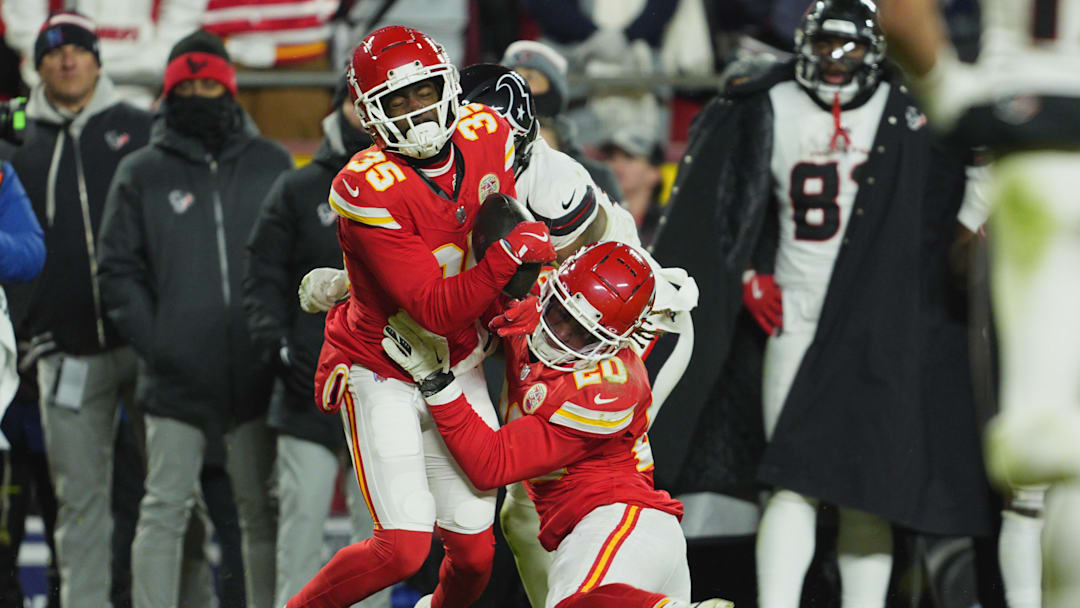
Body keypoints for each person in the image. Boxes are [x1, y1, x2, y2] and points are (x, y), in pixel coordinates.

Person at [647, 1, 997, 607]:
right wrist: (747, 270)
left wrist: (961, 233)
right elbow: (730, 204)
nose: (835, 63)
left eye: (849, 49)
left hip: (882, 315)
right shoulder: (767, 102)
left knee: (866, 489)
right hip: (799, 311)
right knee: (793, 480)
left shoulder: (904, 105)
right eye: (825, 47)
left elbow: (979, 162)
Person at [284, 25, 555, 608]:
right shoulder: (366, 186)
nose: (418, 112)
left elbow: (496, 229)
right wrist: (509, 260)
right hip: (384, 363)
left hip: (458, 362)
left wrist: (516, 293)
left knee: (476, 554)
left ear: (449, 86)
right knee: (402, 550)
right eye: (398, 100)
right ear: (370, 114)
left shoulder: (488, 134)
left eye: (425, 92)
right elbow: (433, 307)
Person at [379, 241, 729, 608]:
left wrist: (436, 383)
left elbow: (490, 464)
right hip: (594, 537)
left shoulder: (607, 388)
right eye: (560, 313)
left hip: (620, 521)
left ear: (612, 344)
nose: (559, 334)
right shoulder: (537, 290)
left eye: (583, 334)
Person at [880, 1, 1080, 607]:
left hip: (1040, 159)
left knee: (1045, 449)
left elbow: (899, 13)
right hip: (1038, 150)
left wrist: (948, 93)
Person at [97, 29, 290, 608]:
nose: (199, 97)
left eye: (210, 86)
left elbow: (293, 262)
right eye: (187, 87)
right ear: (168, 92)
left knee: (260, 512)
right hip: (173, 379)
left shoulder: (272, 163)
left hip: (255, 374)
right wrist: (159, 344)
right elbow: (116, 271)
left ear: (229, 89)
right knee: (164, 510)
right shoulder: (141, 172)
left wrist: (274, 341)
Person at [6, 11, 153, 608]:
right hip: (62, 351)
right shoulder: (15, 143)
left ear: (98, 59)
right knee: (78, 502)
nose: (67, 59)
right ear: (36, 66)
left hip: (143, 345)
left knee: (166, 494)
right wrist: (26, 331)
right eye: (53, 52)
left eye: (78, 49)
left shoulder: (142, 129)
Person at [242, 78, 390, 608]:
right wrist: (278, 346)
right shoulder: (299, 188)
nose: (365, 113)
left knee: (381, 541)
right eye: (357, 101)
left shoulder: (413, 185)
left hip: (385, 386)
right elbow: (262, 275)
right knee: (300, 532)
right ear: (339, 105)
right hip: (307, 386)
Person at [2, 1, 206, 108]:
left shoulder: (69, 66)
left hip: (141, 97)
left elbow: (175, 47)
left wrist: (76, 71)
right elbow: (25, 32)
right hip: (50, 98)